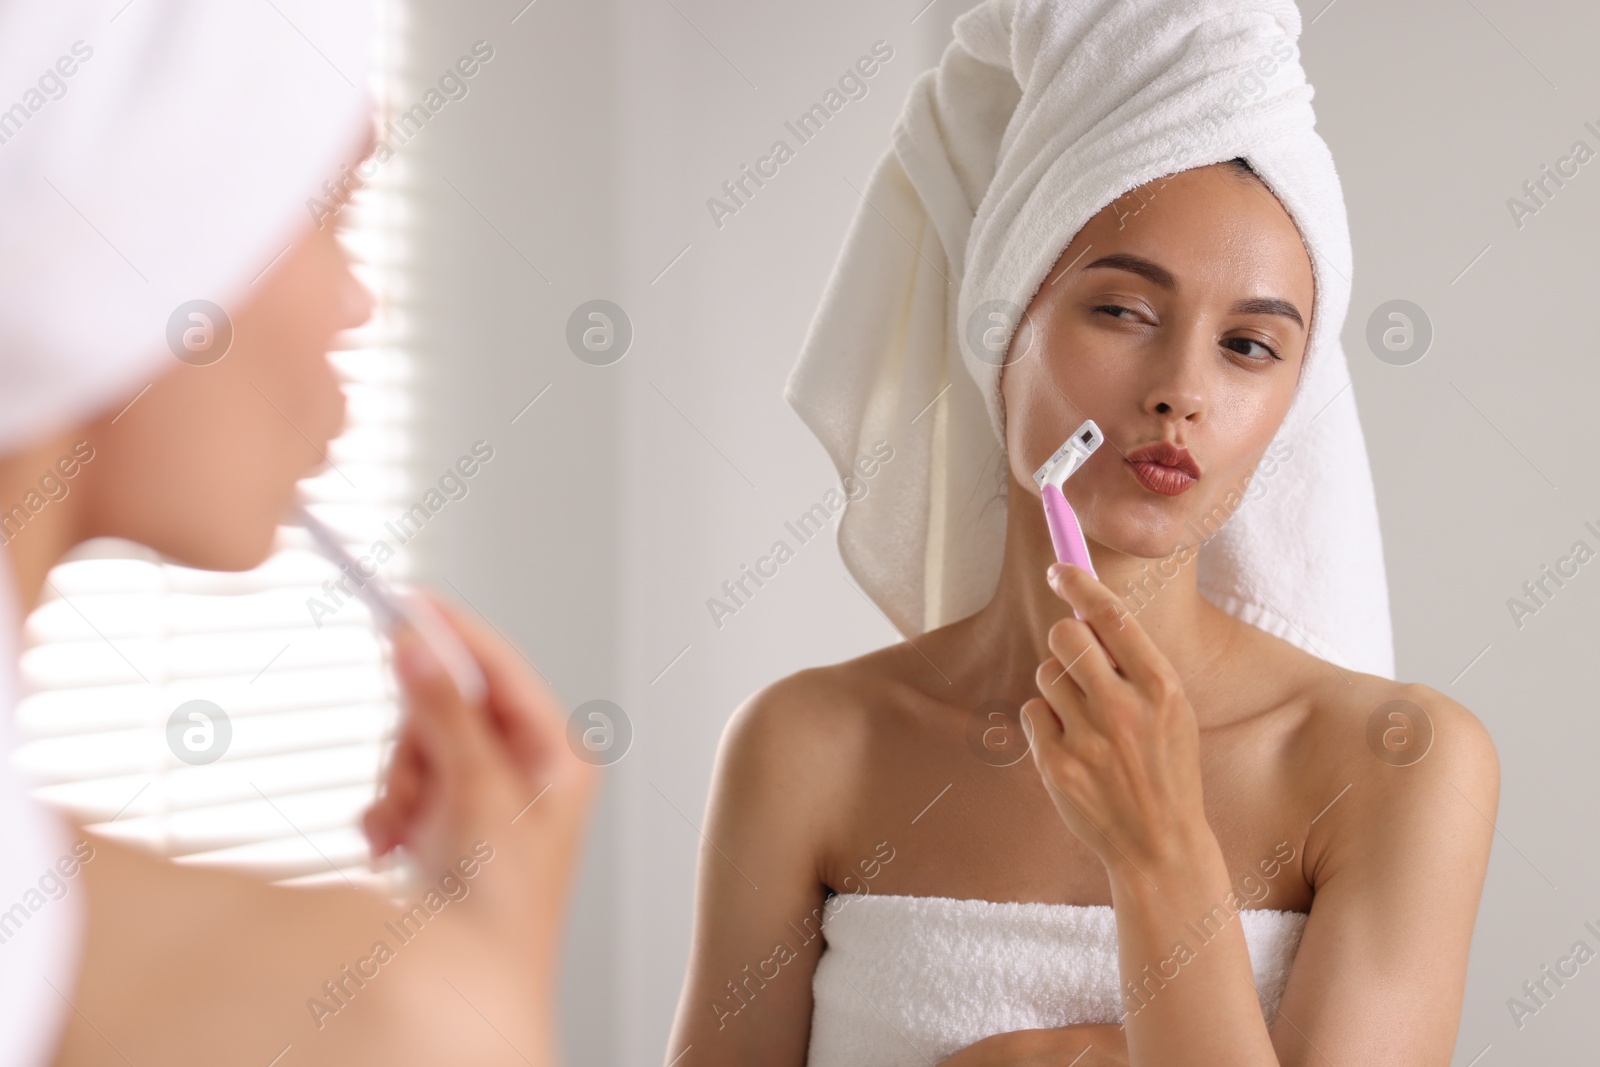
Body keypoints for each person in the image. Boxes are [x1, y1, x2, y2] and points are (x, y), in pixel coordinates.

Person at [667, 1, 1498, 1065]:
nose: (1180, 392)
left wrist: (1161, 853)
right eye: (1121, 311)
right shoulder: (807, 746)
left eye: (1248, 345)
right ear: (1001, 325)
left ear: (1294, 400)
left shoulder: (1394, 767)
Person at [0, 3, 594, 1065]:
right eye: (331, 208)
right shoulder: (378, 1016)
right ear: (111, 214)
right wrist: (481, 973)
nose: (358, 302)